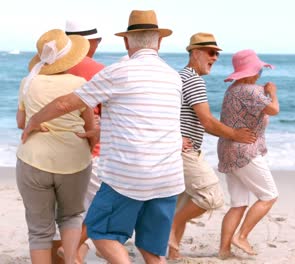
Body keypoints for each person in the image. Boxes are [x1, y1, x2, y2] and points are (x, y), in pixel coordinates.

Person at [21, 10, 184, 264]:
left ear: (127, 41)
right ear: (159, 42)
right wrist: (98, 131)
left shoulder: (119, 72)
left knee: (102, 233)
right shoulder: (174, 77)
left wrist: (34, 120)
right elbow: (146, 121)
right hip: (169, 176)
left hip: (128, 176)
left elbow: (66, 103)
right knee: (152, 249)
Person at [168, 32, 257, 260]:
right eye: (211, 52)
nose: (215, 57)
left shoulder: (179, 77)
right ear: (195, 53)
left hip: (177, 149)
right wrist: (235, 134)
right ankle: (170, 233)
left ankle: (172, 253)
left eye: (217, 53)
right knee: (211, 197)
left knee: (183, 202)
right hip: (185, 153)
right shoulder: (194, 80)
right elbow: (207, 122)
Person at [16, 29, 94, 264]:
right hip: (74, 160)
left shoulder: (28, 83)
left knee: (39, 230)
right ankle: (70, 260)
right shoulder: (80, 83)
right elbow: (90, 125)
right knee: (71, 216)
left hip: (33, 160)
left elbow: (22, 123)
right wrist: (90, 147)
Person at [52, 20, 106, 264]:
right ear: (87, 41)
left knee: (65, 212)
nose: (99, 45)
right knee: (103, 205)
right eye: (98, 40)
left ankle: (71, 255)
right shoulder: (97, 69)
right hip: (90, 151)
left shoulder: (48, 67)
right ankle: (72, 251)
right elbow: (109, 113)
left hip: (52, 152)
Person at [217, 49, 280, 259]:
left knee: (238, 204)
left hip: (228, 150)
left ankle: (224, 251)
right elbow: (273, 110)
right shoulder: (251, 91)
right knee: (269, 195)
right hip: (245, 152)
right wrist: (273, 92)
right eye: (259, 70)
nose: (260, 74)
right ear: (251, 71)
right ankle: (241, 236)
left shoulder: (234, 90)